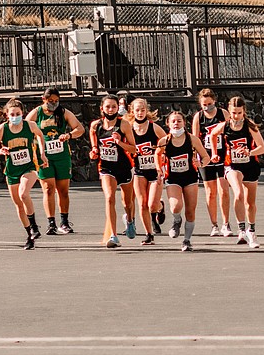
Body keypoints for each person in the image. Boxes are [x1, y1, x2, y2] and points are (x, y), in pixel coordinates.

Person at [0, 98, 49, 249]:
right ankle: (29, 234)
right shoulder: (2, 129)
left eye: (18, 114)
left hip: (29, 166)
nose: (16, 116)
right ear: (7, 115)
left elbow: (40, 136)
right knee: (19, 205)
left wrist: (42, 153)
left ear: (23, 114)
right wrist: (0, 151)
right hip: (12, 170)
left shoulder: (30, 125)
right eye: (12, 114)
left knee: (23, 194)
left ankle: (34, 225)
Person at [211, 96, 264, 249]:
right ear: (229, 112)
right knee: (238, 194)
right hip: (232, 165)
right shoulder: (225, 126)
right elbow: (212, 135)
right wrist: (214, 153)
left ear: (244, 112)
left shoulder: (250, 127)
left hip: (250, 165)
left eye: (239, 113)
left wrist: (249, 152)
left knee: (250, 203)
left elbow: (263, 148)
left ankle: (251, 230)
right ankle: (241, 229)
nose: (236, 116)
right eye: (233, 113)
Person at [27, 88, 85, 236]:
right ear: (43, 99)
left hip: (61, 155)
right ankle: (50, 222)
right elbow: (25, 127)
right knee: (48, 189)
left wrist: (69, 135)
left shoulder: (64, 112)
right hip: (44, 156)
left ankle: (64, 222)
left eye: (56, 101)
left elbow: (80, 128)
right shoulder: (37, 112)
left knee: (63, 189)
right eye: (50, 101)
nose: (53, 104)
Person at [89, 95, 138, 249]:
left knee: (127, 202)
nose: (110, 110)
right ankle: (114, 235)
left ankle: (130, 220)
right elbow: (94, 146)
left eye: (114, 107)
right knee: (110, 197)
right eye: (108, 106)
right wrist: (94, 151)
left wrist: (119, 142)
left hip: (124, 167)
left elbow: (134, 148)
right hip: (106, 167)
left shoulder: (123, 125)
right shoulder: (95, 126)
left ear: (118, 108)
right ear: (102, 108)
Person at [157, 110, 210, 252]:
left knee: (190, 211)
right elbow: (157, 154)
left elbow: (206, 157)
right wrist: (159, 169)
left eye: (179, 121)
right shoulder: (164, 141)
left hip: (190, 177)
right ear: (168, 123)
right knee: (175, 206)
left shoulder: (192, 139)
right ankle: (176, 220)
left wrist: (201, 164)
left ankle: (187, 240)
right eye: (173, 121)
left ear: (184, 123)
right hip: (173, 177)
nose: (176, 123)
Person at [192, 89, 232, 238]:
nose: (207, 107)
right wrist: (196, 158)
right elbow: (195, 139)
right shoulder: (199, 117)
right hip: (206, 156)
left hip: (222, 155)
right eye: (204, 104)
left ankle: (226, 224)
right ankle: (214, 224)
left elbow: (230, 133)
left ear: (214, 101)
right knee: (210, 192)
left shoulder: (223, 114)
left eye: (209, 104)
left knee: (224, 190)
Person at [128, 98, 166, 245]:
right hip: (139, 170)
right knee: (143, 204)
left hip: (155, 170)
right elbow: (125, 146)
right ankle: (149, 234)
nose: (140, 113)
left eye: (142, 110)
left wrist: (159, 152)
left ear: (147, 111)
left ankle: (160, 206)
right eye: (137, 110)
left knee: (152, 205)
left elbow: (166, 141)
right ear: (132, 111)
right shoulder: (130, 129)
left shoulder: (154, 127)